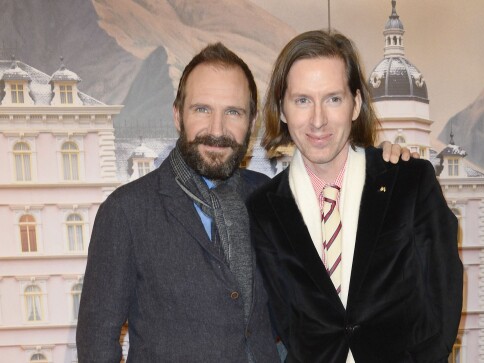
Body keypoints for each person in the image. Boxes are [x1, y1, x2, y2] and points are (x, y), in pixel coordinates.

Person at [76, 42, 409, 362]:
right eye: (202, 109)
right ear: (178, 116)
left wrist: (383, 168)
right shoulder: (126, 212)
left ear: (251, 122)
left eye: (233, 112)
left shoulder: (270, 197)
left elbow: (323, 292)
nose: (217, 129)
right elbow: (97, 344)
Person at [248, 30, 463, 363]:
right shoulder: (263, 210)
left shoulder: (409, 181)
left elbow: (443, 292)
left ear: (356, 104)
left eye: (333, 98)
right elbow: (285, 320)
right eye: (302, 100)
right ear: (283, 109)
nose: (318, 120)